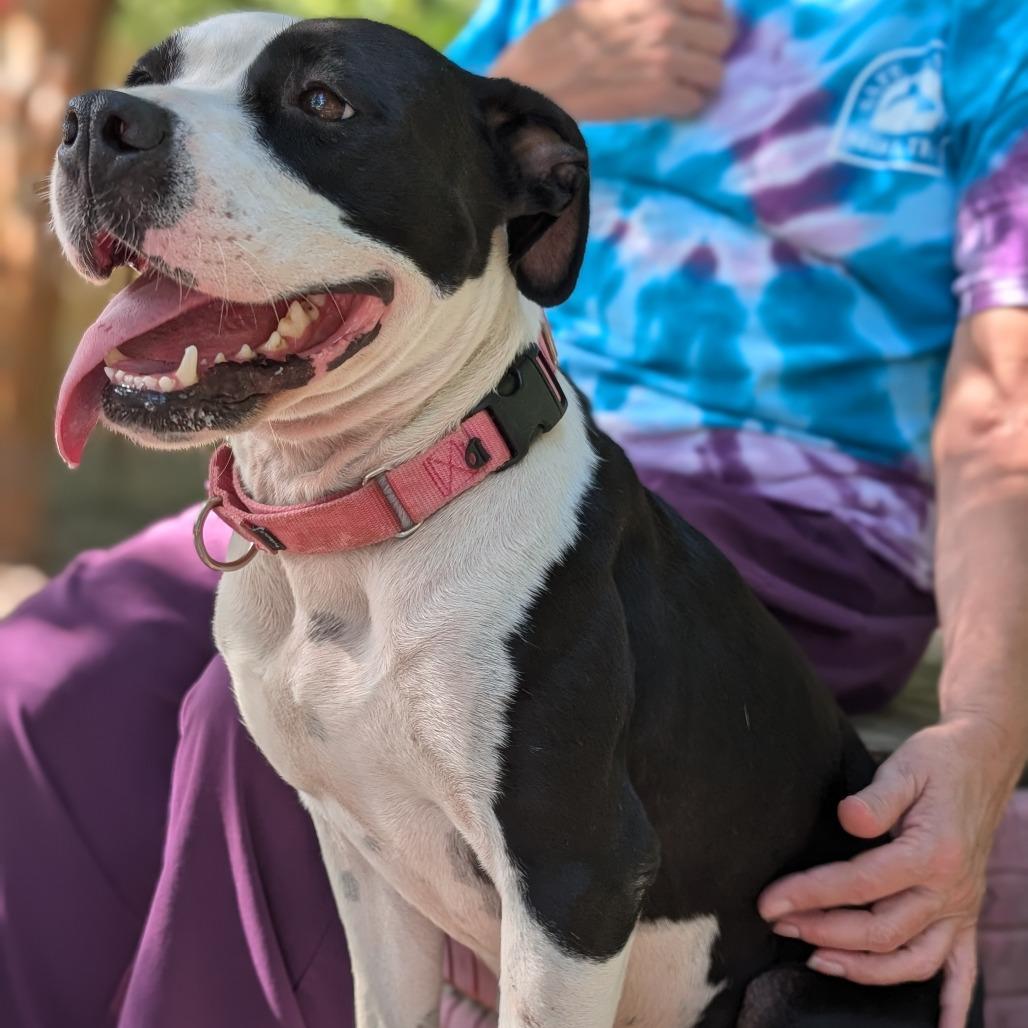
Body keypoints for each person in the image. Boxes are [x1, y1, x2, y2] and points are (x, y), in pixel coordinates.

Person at [1, 1, 1026, 1026]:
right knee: (41, 679)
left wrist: (984, 732)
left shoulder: (986, 44)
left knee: (257, 730)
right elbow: (353, 152)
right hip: (364, 441)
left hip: (771, 497)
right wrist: (549, 63)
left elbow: (1002, 419)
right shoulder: (550, 9)